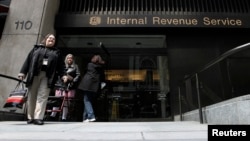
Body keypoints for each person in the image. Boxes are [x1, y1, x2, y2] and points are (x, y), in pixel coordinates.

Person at [18, 33, 62, 125]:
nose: (51, 40)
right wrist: (22, 72)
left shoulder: (56, 52)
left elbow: (60, 66)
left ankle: (38, 117)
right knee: (32, 96)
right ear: (45, 39)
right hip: (34, 74)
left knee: (42, 96)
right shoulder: (36, 48)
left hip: (47, 76)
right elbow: (28, 60)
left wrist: (64, 75)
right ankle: (30, 117)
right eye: (50, 38)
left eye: (53, 39)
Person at [50, 54, 81, 121]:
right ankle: (53, 115)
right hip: (60, 85)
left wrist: (72, 80)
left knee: (66, 102)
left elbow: (78, 76)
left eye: (71, 58)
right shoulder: (62, 66)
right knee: (57, 101)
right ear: (66, 59)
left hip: (70, 86)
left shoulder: (75, 66)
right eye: (68, 58)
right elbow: (58, 74)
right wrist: (63, 77)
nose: (69, 59)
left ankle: (64, 117)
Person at [78, 54, 105, 122]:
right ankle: (85, 117)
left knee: (86, 100)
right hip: (94, 86)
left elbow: (85, 71)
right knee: (88, 100)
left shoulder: (90, 65)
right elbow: (102, 77)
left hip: (87, 84)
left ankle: (91, 116)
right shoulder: (101, 67)